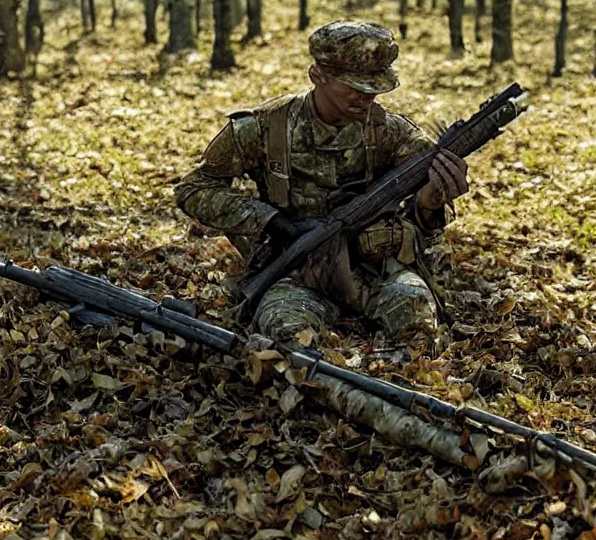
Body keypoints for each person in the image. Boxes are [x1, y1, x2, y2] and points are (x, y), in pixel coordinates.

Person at [174, 21, 469, 353]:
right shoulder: (267, 128)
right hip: (297, 275)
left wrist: (430, 202)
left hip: (377, 271)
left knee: (421, 331)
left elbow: (425, 226)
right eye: (355, 86)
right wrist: (271, 221)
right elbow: (194, 188)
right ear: (318, 76)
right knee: (286, 340)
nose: (368, 97)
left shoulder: (390, 131)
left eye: (376, 87)